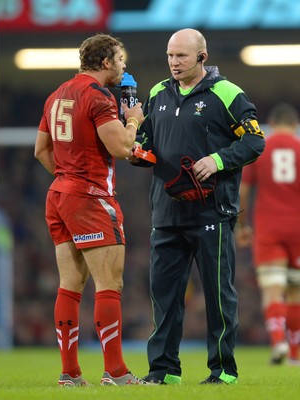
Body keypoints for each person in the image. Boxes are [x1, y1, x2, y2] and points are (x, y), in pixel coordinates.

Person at [129, 28, 265, 385]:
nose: (174, 63)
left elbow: (254, 140)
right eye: (170, 56)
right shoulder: (157, 92)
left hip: (212, 214)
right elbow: (146, 142)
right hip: (167, 213)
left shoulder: (227, 93)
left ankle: (223, 371)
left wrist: (219, 160)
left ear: (202, 57)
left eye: (182, 56)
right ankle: (163, 371)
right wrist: (137, 153)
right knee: (164, 297)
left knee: (219, 298)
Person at [34, 33, 147, 386]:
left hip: (59, 196)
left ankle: (69, 374)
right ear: (106, 63)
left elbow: (41, 150)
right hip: (91, 196)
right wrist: (134, 120)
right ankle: (115, 371)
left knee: (70, 284)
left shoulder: (56, 95)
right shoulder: (98, 96)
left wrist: (68, 178)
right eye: (120, 58)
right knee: (109, 283)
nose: (124, 65)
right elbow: (120, 147)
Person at [236, 103, 300, 365]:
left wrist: (242, 226)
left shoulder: (260, 149)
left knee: (273, 289)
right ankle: (295, 354)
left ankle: (278, 342)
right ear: (295, 126)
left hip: (268, 228)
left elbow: (243, 191)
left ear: (272, 125)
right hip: (298, 228)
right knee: (296, 291)